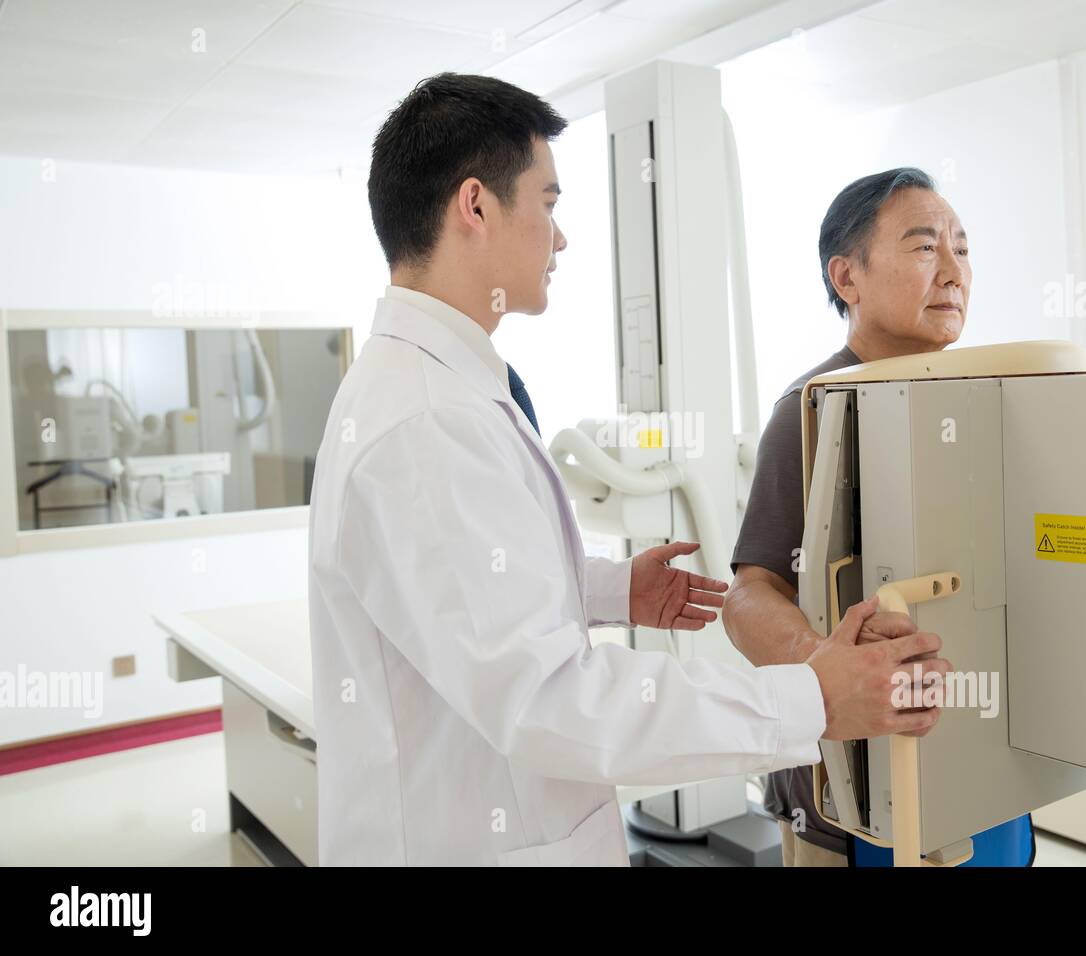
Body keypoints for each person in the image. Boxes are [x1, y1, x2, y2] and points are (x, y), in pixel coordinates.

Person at [307, 76, 952, 866]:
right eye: (547, 203)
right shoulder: (424, 422)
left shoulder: (447, 391)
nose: (561, 236)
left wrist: (605, 591)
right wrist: (815, 697)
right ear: (475, 207)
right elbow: (550, 700)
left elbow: (469, 596)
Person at [724, 167, 1034, 867]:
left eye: (962, 247)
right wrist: (828, 673)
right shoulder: (812, 408)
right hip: (852, 804)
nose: (954, 271)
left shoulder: (989, 398)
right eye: (925, 248)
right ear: (847, 277)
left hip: (982, 766)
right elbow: (749, 595)